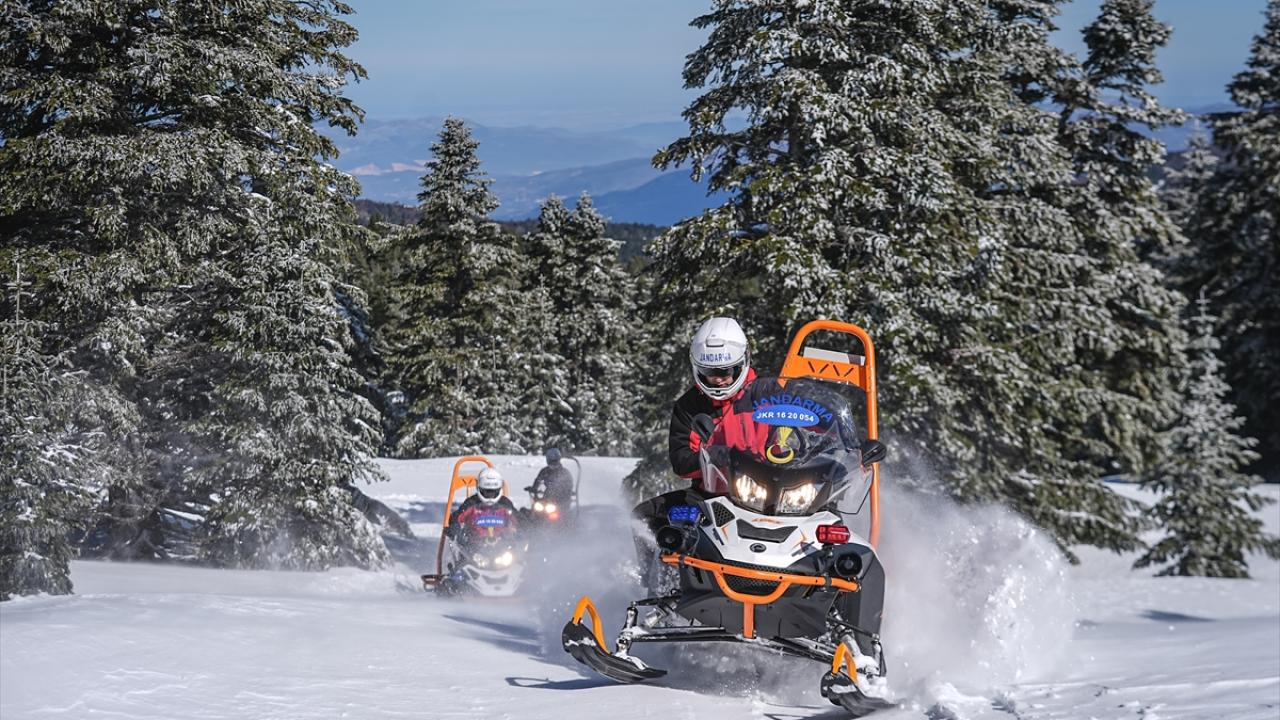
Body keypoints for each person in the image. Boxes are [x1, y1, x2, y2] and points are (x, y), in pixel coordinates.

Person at [632, 317, 757, 586]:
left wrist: (849, 451)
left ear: (742, 363)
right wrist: (713, 457)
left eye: (728, 371)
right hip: (710, 494)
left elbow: (806, 428)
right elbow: (680, 461)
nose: (720, 380)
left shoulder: (767, 397)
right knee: (644, 516)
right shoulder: (689, 406)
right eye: (712, 372)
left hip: (770, 493)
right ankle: (659, 589)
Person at [446, 466, 518, 547]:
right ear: (479, 488)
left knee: (519, 555)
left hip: (502, 546)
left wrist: (526, 528)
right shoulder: (471, 503)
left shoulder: (505, 504)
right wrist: (454, 528)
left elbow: (519, 519)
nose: (490, 496)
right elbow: (456, 517)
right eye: (486, 492)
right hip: (473, 547)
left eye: (494, 492)